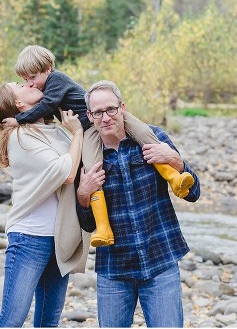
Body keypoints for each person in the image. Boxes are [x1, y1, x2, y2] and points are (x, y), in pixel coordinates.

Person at [2, 45, 195, 248]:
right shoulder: (46, 88)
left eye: (32, 78)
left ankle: (175, 178)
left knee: (147, 138)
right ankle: (103, 227)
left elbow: (47, 106)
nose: (30, 84)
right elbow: (48, 115)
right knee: (93, 168)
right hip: (89, 130)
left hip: (93, 123)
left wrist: (19, 120)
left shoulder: (56, 81)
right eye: (25, 80)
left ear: (48, 69)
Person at [75, 80, 200, 327]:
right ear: (90, 116)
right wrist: (83, 193)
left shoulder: (152, 138)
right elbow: (88, 225)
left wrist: (176, 160)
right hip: (114, 268)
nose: (106, 117)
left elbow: (193, 193)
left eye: (111, 109)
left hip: (160, 260)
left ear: (122, 108)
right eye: (98, 112)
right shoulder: (85, 157)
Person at [0, 82, 91, 327]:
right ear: (18, 104)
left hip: (60, 237)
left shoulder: (54, 130)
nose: (30, 83)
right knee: (12, 319)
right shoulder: (19, 136)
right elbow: (66, 172)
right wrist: (77, 133)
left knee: (48, 321)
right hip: (29, 237)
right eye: (20, 85)